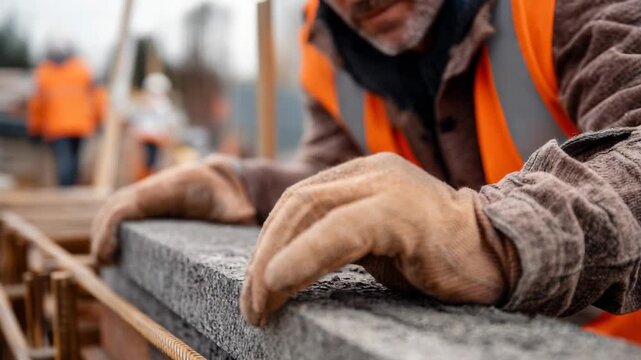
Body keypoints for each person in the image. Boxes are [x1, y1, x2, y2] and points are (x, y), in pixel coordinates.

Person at [91, 0, 641, 343]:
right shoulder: (332, 47)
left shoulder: (565, 7)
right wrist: (240, 186)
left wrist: (493, 238)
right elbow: (342, 176)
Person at [28, 38, 104, 186]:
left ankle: (66, 190)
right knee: (72, 160)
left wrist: (35, 128)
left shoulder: (44, 72)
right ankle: (68, 189)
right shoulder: (82, 69)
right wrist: (99, 119)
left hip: (57, 126)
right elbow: (98, 97)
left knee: (66, 160)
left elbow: (37, 103)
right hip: (79, 124)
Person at [127, 73, 184, 179]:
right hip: (144, 140)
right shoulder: (142, 105)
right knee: (143, 164)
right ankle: (144, 178)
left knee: (154, 164)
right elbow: (135, 119)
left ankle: (150, 178)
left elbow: (170, 122)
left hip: (157, 141)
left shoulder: (165, 106)